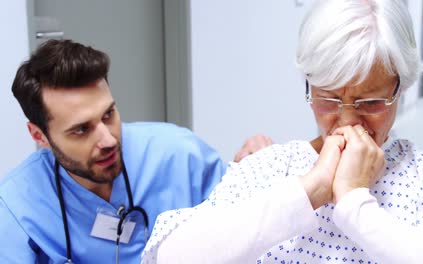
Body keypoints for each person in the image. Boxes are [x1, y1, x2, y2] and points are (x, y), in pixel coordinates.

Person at [141, 0, 423, 263]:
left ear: (401, 88)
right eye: (329, 99)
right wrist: (310, 189)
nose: (348, 122)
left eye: (370, 102)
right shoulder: (271, 167)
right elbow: (167, 256)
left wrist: (355, 204)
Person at [0, 39, 269, 263]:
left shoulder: (180, 155)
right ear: (39, 136)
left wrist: (256, 170)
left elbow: (247, 229)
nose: (108, 140)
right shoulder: (18, 206)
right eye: (82, 129)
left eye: (108, 115)